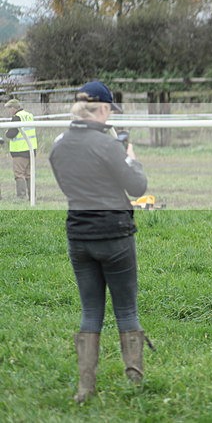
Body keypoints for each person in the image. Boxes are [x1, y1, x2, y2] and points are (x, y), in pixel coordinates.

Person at [49, 81, 150, 403]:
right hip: (115, 235)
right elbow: (137, 186)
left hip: (78, 236)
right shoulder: (107, 145)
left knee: (90, 312)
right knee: (127, 310)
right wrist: (130, 157)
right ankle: (134, 381)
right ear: (103, 109)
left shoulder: (58, 143)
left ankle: (85, 388)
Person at [4, 98, 38, 200]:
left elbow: (11, 133)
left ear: (14, 108)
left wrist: (6, 133)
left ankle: (21, 197)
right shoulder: (29, 115)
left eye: (9, 108)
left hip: (20, 150)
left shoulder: (17, 117)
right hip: (31, 149)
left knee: (19, 174)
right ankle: (32, 196)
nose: (9, 111)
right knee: (29, 174)